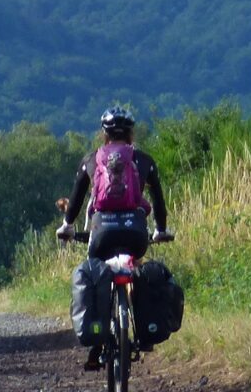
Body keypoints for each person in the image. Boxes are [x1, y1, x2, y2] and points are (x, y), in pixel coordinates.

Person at [55, 107, 173, 370]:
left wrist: (66, 226)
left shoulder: (91, 160)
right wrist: (161, 230)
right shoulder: (144, 160)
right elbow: (159, 201)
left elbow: (75, 201)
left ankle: (98, 344)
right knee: (136, 269)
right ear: (131, 133)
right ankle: (143, 328)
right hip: (136, 232)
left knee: (96, 271)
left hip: (101, 233)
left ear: (104, 133)